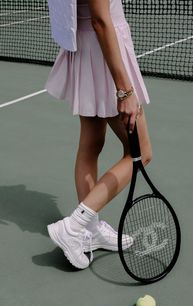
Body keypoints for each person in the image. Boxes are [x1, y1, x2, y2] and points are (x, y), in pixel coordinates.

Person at [45, 0, 152, 269]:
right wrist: (124, 91)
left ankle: (89, 231)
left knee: (91, 143)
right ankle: (74, 226)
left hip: (87, 51)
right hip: (104, 55)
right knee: (141, 153)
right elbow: (101, 21)